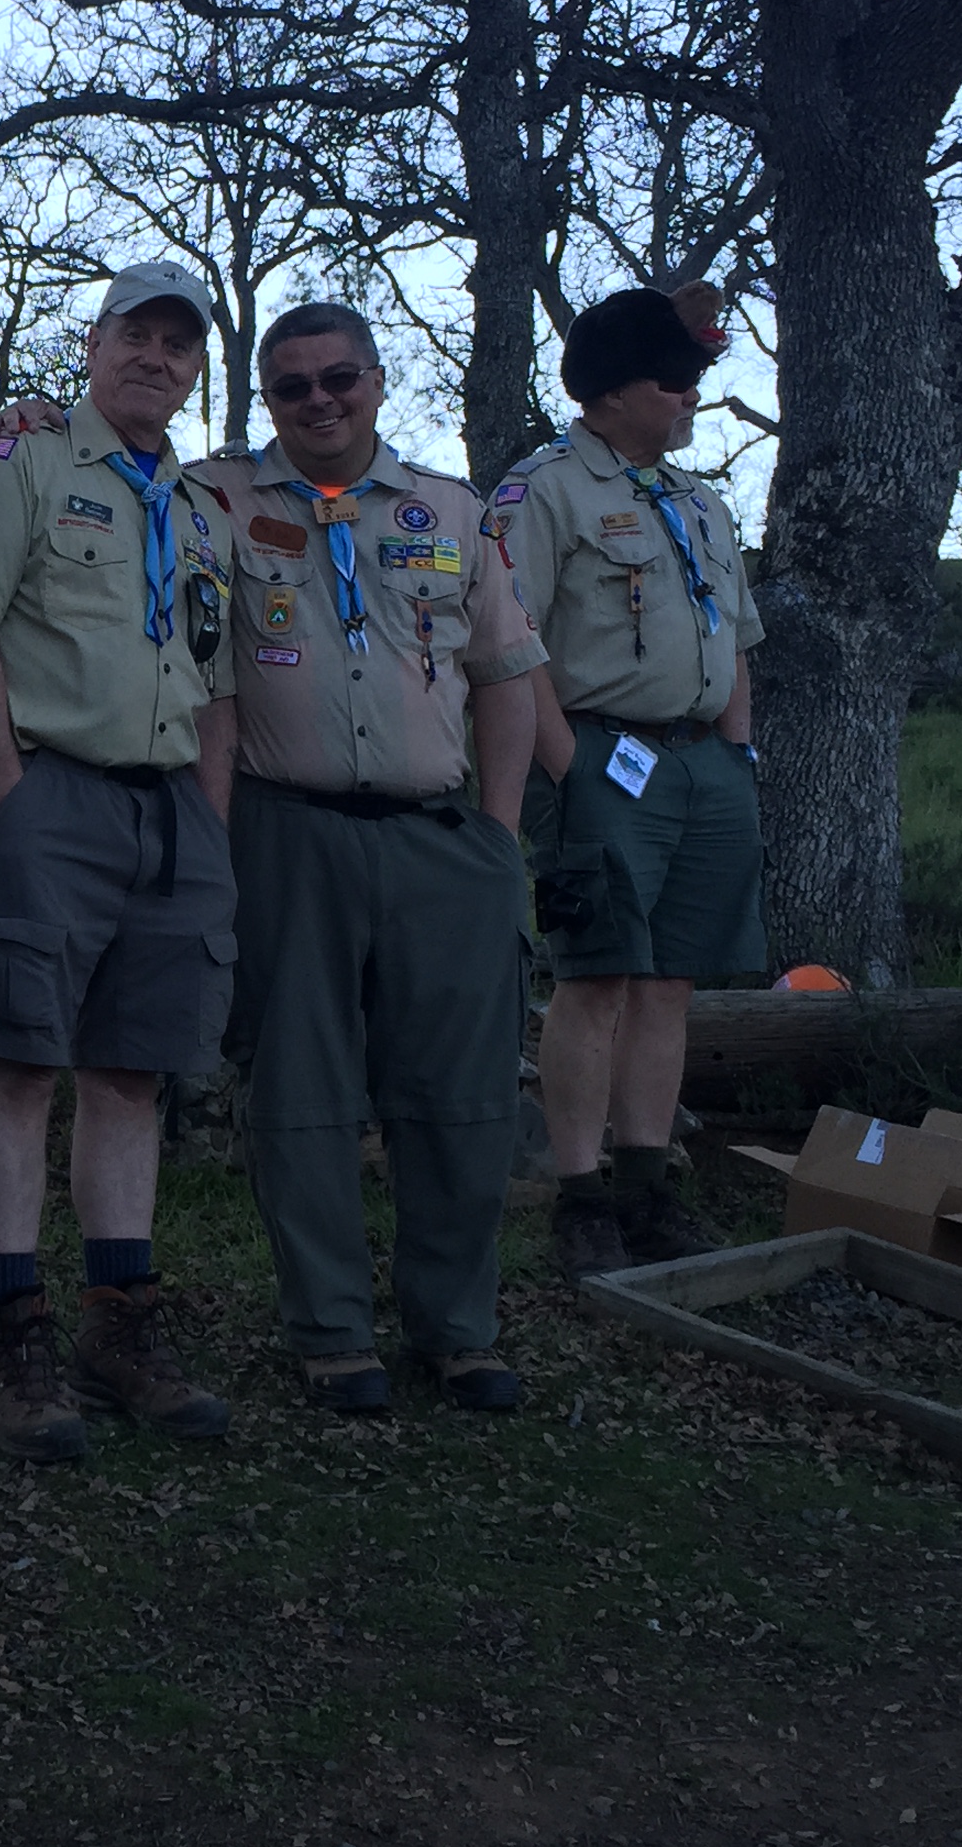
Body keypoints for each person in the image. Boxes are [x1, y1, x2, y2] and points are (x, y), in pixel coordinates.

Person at [192, 303, 547, 1415]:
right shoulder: (214, 499)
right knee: (300, 1094)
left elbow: (506, 677)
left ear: (379, 381)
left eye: (339, 378)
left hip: (439, 839)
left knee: (461, 1098)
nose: (319, 402)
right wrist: (27, 420)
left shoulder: (451, 510)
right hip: (286, 833)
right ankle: (333, 1333)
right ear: (268, 399)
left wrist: (498, 836)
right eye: (291, 386)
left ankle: (459, 1329)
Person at [0, 260, 237, 1463]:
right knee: (18, 1064)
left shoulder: (199, 508)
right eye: (134, 335)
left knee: (132, 1076)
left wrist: (208, 821)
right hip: (52, 791)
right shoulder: (25, 459)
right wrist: (9, 793)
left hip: (170, 812)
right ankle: (11, 1332)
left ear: (195, 367)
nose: (155, 357)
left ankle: (122, 1322)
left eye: (177, 343)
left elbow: (215, 677)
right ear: (94, 345)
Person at [491, 284, 762, 1280]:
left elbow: (736, 635)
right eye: (672, 379)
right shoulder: (544, 490)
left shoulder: (698, 500)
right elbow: (508, 639)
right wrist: (571, 766)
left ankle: (648, 1190)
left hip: (704, 764)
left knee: (668, 983)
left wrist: (737, 752)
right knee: (596, 978)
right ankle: (582, 1196)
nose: (690, 396)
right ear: (610, 394)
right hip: (601, 756)